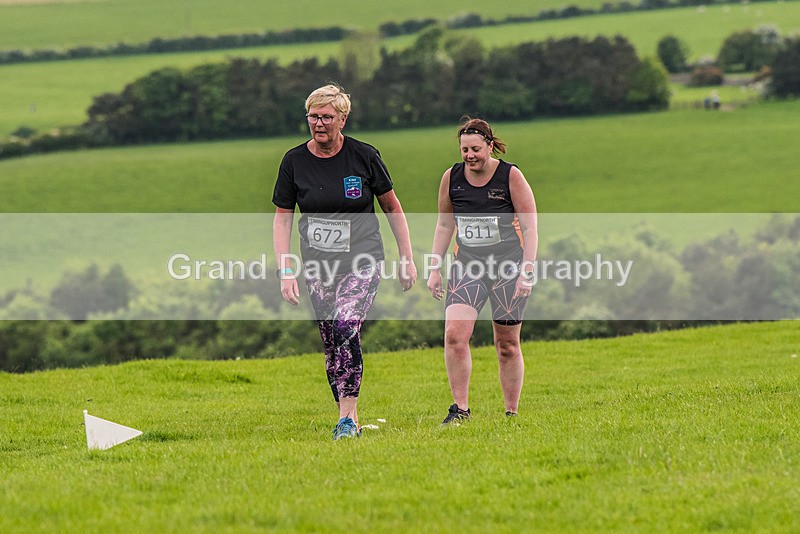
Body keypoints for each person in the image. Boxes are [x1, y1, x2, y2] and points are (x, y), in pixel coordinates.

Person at [272, 84, 417, 440]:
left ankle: (349, 419)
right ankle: (343, 415)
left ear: (342, 119)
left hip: (363, 258)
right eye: (313, 116)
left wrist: (407, 258)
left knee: (345, 325)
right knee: (331, 341)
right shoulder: (294, 161)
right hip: (318, 267)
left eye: (326, 117)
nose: (318, 124)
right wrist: (286, 270)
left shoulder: (364, 156)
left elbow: (392, 207)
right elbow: (283, 218)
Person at [427, 118, 538, 425]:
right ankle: (460, 410)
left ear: (490, 145)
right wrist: (435, 268)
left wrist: (526, 271)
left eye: (475, 148)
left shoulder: (510, 175)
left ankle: (511, 414)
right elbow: (445, 224)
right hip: (468, 265)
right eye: (464, 149)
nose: (469, 155)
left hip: (508, 266)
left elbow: (530, 227)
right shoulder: (451, 177)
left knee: (506, 344)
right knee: (454, 336)